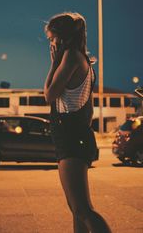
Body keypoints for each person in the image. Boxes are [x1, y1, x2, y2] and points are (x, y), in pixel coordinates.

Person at [44, 12, 112, 233]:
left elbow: (49, 95)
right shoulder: (83, 60)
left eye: (52, 37)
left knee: (82, 209)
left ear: (63, 37)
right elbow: (87, 109)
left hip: (71, 137)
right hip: (75, 135)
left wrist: (53, 64)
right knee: (77, 210)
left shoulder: (71, 57)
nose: (51, 42)